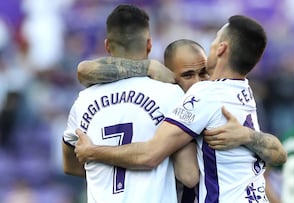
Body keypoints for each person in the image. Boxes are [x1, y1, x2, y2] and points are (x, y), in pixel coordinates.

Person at [74, 15, 287, 202]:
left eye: (202, 72)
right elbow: (84, 70)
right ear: (169, 77)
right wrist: (147, 67)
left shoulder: (207, 95)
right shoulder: (241, 90)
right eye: (187, 75)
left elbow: (174, 167)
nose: (196, 82)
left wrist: (92, 151)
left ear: (221, 48)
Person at [62, 4, 198, 203]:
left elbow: (70, 165)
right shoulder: (172, 94)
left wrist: (104, 167)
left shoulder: (83, 101)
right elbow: (188, 174)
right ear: (149, 45)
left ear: (107, 46)